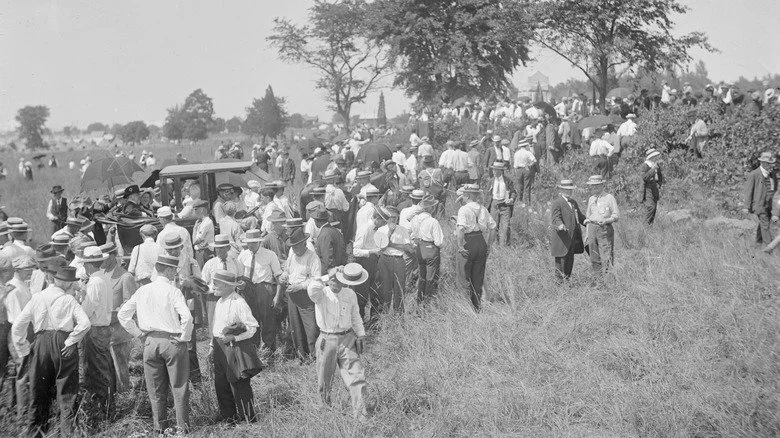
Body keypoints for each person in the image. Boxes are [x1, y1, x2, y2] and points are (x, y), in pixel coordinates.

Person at [117, 254, 193, 435]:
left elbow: (123, 315)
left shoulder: (143, 290)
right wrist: (184, 337)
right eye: (174, 270)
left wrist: (139, 335)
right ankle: (182, 429)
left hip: (150, 342)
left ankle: (160, 429)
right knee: (179, 387)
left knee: (155, 389)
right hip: (172, 341)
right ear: (168, 270)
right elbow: (188, 317)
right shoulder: (173, 290)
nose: (175, 273)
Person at [12, 266, 90, 438]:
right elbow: (85, 324)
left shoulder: (37, 297)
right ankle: (67, 433)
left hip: (40, 343)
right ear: (68, 284)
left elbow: (18, 325)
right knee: (67, 390)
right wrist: (71, 341)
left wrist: (23, 349)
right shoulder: (69, 300)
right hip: (63, 343)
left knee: (38, 391)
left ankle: (36, 433)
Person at [307, 263, 369, 419]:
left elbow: (355, 316)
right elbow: (311, 288)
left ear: (345, 281)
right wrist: (328, 275)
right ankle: (325, 413)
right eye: (332, 280)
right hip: (327, 340)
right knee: (324, 381)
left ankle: (361, 415)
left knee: (357, 377)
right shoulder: (321, 294)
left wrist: (361, 334)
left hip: (347, 339)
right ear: (328, 280)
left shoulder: (350, 294)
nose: (335, 283)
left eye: (339, 280)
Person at [210, 270, 261, 423]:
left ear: (227, 286)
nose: (214, 287)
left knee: (238, 382)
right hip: (219, 347)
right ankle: (229, 418)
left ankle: (248, 418)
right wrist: (212, 346)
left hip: (233, 347)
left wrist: (235, 337)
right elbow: (216, 325)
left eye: (217, 284)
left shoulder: (239, 302)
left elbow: (252, 327)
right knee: (221, 383)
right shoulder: (219, 301)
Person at [95, 242, 137, 393]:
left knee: (120, 368)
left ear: (112, 257)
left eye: (103, 259)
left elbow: (129, 305)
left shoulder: (125, 277)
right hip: (102, 333)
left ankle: (124, 396)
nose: (100, 262)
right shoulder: (100, 275)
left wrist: (112, 315)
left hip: (118, 333)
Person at [79, 246, 116, 412]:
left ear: (88, 265)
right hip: (104, 327)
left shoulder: (94, 282)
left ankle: (106, 409)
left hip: (95, 329)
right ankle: (108, 405)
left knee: (98, 370)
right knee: (104, 366)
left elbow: (88, 308)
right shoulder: (105, 277)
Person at [278, 228, 321, 362]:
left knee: (311, 327)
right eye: (292, 246)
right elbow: (287, 270)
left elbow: (316, 279)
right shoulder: (292, 255)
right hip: (292, 295)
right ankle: (302, 356)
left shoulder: (312, 257)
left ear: (304, 243)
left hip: (306, 296)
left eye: (296, 246)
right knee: (295, 326)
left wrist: (300, 286)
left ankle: (315, 356)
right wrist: (284, 277)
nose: (294, 249)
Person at [236, 229, 282, 351]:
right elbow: (239, 275)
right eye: (248, 243)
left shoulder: (269, 254)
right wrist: (240, 285)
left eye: (252, 243)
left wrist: (277, 296)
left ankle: (269, 351)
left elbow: (278, 277)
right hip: (248, 290)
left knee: (267, 321)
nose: (249, 245)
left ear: (258, 242)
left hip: (265, 290)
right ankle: (254, 350)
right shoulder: (243, 255)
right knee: (251, 319)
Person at [456, 184, 497, 310]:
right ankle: (476, 306)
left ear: (467, 196)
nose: (462, 197)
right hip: (481, 241)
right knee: (478, 276)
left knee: (463, 275)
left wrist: (459, 245)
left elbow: (461, 229)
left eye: (463, 195)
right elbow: (493, 228)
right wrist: (489, 245)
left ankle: (466, 307)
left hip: (468, 242)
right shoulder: (483, 209)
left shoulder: (463, 209)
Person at [201, 234, 242, 335]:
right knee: (214, 322)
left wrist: (240, 285)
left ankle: (230, 345)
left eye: (221, 248)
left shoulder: (235, 263)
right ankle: (213, 345)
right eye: (216, 248)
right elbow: (202, 285)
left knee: (230, 322)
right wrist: (214, 289)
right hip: (214, 298)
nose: (218, 251)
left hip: (231, 298)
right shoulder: (210, 264)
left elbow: (240, 279)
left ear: (228, 248)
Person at [373, 206, 411, 313]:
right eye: (391, 217)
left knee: (399, 288)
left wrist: (392, 244)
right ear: (387, 218)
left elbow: (408, 248)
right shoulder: (381, 230)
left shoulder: (403, 230)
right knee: (385, 288)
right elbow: (382, 247)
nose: (393, 219)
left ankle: (398, 315)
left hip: (398, 259)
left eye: (396, 217)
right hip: (385, 259)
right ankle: (383, 314)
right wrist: (389, 233)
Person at [549, 179, 586, 281]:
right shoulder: (557, 203)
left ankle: (567, 282)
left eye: (570, 190)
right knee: (561, 261)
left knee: (569, 260)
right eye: (566, 190)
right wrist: (560, 225)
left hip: (572, 238)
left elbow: (580, 216)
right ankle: (559, 285)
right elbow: (556, 218)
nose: (569, 192)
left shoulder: (573, 202)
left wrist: (587, 221)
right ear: (561, 190)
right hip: (562, 237)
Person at [409, 195, 443, 303]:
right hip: (430, 249)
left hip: (420, 248)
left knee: (422, 277)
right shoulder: (433, 221)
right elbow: (439, 242)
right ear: (431, 208)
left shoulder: (415, 220)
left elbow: (411, 234)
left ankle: (420, 301)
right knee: (431, 278)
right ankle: (428, 304)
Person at [584, 176, 620, 276]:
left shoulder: (609, 198)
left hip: (604, 228)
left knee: (606, 254)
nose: (594, 187)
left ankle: (609, 279)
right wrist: (587, 234)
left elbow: (616, 216)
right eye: (592, 185)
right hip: (592, 228)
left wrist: (606, 220)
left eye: (596, 185)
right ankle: (598, 281)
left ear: (602, 185)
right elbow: (588, 217)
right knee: (593, 255)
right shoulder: (591, 199)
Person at [744, 151, 778, 249]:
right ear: (762, 163)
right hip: (759, 205)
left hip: (770, 205)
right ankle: (769, 248)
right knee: (765, 224)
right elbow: (748, 191)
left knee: (763, 224)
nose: (770, 165)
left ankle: (757, 243)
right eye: (768, 163)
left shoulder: (773, 175)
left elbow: (774, 191)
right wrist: (746, 207)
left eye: (771, 163)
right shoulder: (753, 175)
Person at [489, 162, 516, 246]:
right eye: (493, 169)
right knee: (494, 226)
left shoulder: (507, 181)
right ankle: (494, 246)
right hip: (494, 205)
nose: (493, 171)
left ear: (500, 171)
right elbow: (487, 195)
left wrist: (511, 199)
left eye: (495, 170)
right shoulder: (491, 181)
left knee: (505, 227)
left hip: (505, 205)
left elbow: (513, 192)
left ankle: (504, 246)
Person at [313, 205, 346, 273]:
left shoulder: (324, 234)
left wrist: (331, 271)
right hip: (339, 270)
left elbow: (327, 258)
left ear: (316, 221)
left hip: (329, 274)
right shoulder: (335, 231)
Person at [641, 149, 664, 225]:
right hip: (648, 188)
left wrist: (659, 184)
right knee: (651, 207)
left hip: (655, 187)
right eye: (655, 156)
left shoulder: (655, 164)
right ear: (652, 157)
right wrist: (653, 169)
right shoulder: (646, 165)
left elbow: (660, 176)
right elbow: (645, 177)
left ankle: (650, 227)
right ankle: (645, 226)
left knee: (654, 208)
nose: (657, 157)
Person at [513, 136, 537, 204]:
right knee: (527, 186)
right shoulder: (527, 152)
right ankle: (527, 202)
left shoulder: (516, 153)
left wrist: (516, 171)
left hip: (518, 169)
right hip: (526, 169)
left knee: (519, 185)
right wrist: (529, 165)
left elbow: (515, 165)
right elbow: (534, 160)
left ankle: (519, 200)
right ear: (526, 145)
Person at [192, 200, 215, 267]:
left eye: (196, 209)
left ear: (202, 210)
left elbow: (195, 241)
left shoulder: (206, 222)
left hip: (205, 253)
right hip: (201, 252)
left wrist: (194, 228)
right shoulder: (202, 222)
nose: (195, 212)